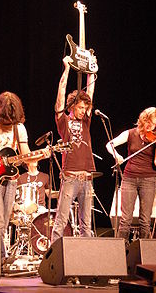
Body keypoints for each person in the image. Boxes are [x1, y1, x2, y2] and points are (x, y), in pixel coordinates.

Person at [0, 91, 49, 261]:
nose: (8, 124)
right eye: (5, 121)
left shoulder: (19, 128)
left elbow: (26, 156)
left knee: (3, 221)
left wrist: (42, 155)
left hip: (11, 180)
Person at [51, 55, 96, 243]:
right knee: (61, 220)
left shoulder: (86, 120)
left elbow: (91, 92)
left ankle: (85, 258)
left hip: (87, 178)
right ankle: (52, 254)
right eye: (80, 107)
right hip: (70, 177)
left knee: (86, 223)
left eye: (85, 107)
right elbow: (61, 95)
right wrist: (67, 69)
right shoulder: (64, 121)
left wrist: (92, 71)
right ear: (72, 106)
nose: (83, 110)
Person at [106, 107, 156, 244]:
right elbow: (110, 145)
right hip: (129, 178)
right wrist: (117, 156)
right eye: (148, 122)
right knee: (125, 218)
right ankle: (121, 249)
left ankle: (144, 250)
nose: (150, 126)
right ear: (143, 120)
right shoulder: (131, 133)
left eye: (154, 123)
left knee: (145, 219)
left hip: (149, 180)